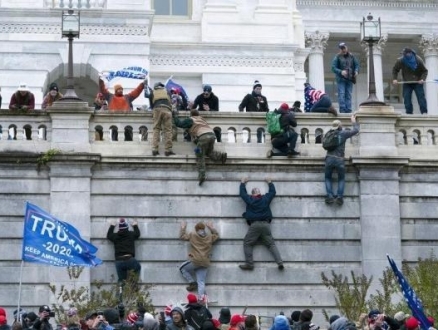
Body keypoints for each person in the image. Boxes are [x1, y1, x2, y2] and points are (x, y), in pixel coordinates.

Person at [238, 177, 284, 270]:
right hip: (266, 225)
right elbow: (272, 192)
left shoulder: (250, 199)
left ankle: (250, 264)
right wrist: (270, 182)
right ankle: (280, 262)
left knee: (247, 243)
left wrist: (242, 183)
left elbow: (242, 194)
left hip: (255, 225)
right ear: (259, 193)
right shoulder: (265, 198)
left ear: (253, 194)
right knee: (271, 244)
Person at [173, 109, 227, 185]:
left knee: (199, 154)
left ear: (191, 115)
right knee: (209, 152)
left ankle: (202, 175)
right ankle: (221, 156)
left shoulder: (191, 119)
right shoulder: (202, 119)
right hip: (212, 136)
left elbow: (179, 124)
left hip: (203, 137)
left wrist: (175, 116)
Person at [324, 114, 359, 206]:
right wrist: (353, 121)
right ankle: (339, 197)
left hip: (329, 158)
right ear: (340, 126)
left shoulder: (328, 134)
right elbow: (356, 130)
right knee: (341, 178)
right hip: (339, 159)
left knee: (328, 178)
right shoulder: (343, 133)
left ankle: (330, 196)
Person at [179, 221, 219, 300]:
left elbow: (182, 236)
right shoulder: (210, 237)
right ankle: (201, 299)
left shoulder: (192, 235)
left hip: (196, 260)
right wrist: (211, 228)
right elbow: (217, 235)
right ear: (204, 229)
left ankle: (192, 282)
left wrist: (183, 228)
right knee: (201, 282)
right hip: (205, 262)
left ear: (196, 229)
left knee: (182, 268)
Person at [392, 47, 428, 114]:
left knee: (421, 98)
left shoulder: (418, 60)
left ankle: (424, 112)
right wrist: (395, 79)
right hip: (407, 82)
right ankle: (409, 113)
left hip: (418, 82)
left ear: (410, 53)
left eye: (406, 54)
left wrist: (422, 79)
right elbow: (395, 70)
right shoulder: (401, 60)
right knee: (406, 98)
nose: (404, 55)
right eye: (403, 54)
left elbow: (425, 71)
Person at [106, 218, 141, 283]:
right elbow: (137, 234)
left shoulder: (115, 236)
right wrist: (135, 225)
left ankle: (121, 292)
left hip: (119, 260)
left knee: (121, 280)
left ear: (119, 229)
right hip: (129, 259)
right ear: (127, 228)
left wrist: (112, 226)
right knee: (137, 268)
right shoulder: (130, 234)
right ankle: (133, 288)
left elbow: (109, 236)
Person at [145, 82, 175, 156]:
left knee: (156, 129)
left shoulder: (153, 92)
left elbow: (151, 105)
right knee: (168, 130)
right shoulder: (167, 91)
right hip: (167, 109)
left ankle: (155, 149)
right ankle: (168, 150)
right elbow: (170, 102)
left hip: (157, 109)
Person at [331, 42, 359, 113]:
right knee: (342, 94)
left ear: (347, 48)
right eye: (341, 48)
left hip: (350, 78)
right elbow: (333, 68)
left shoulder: (352, 56)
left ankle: (349, 110)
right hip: (341, 79)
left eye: (344, 48)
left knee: (349, 94)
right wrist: (341, 72)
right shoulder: (337, 57)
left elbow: (357, 65)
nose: (343, 49)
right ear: (340, 49)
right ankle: (342, 109)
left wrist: (356, 71)